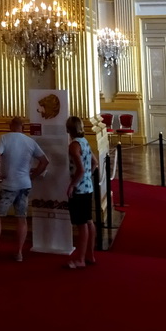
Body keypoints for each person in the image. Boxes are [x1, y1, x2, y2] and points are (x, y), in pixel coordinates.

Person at [0, 116, 48, 262]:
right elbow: (44, 161)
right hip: (24, 184)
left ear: (11, 126)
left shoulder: (4, 138)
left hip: (8, 184)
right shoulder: (30, 141)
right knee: (21, 218)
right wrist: (33, 175)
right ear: (23, 127)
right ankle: (18, 253)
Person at [66, 115, 97, 269]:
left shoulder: (74, 145)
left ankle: (80, 259)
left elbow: (80, 169)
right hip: (88, 187)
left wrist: (72, 185)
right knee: (89, 221)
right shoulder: (85, 142)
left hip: (79, 189)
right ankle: (90, 255)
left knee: (81, 224)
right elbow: (94, 163)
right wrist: (86, 178)